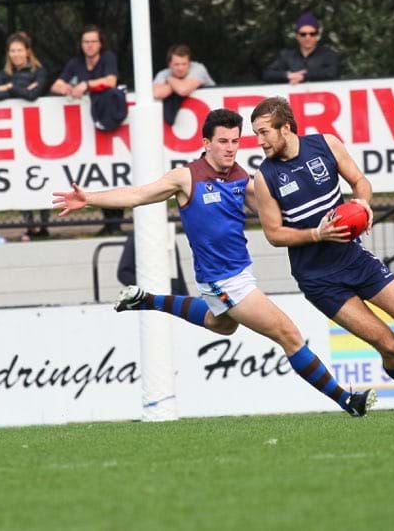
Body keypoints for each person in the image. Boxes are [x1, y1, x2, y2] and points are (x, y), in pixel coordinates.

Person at [53, 108, 377, 417]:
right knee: (288, 334)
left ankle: (147, 300)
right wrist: (90, 199)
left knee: (221, 324)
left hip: (237, 275)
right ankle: (347, 400)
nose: (230, 148)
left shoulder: (242, 178)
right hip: (224, 281)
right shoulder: (186, 178)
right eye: (223, 141)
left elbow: (280, 215)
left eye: (235, 141)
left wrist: (331, 218)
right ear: (206, 143)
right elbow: (137, 195)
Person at [250, 96, 394, 417]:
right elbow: (274, 233)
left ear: (285, 127)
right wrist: (317, 234)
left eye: (264, 133)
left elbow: (360, 181)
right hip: (319, 281)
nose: (259, 142)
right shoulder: (265, 177)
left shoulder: (326, 145)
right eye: (256, 134)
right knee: (387, 345)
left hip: (355, 260)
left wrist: (363, 203)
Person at [51, 25, 125, 236]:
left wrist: (86, 85)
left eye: (93, 41)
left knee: (114, 172)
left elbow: (110, 81)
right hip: (89, 127)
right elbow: (56, 85)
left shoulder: (108, 58)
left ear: (100, 43)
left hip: (112, 121)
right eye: (86, 42)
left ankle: (116, 222)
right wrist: (66, 88)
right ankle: (108, 222)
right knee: (98, 173)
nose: (89, 45)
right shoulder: (75, 63)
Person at [0, 32, 52, 239]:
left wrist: (10, 88)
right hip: (16, 136)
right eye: (12, 51)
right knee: (21, 177)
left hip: (40, 134)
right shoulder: (4, 74)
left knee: (42, 177)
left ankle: (44, 225)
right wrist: (17, 88)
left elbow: (33, 95)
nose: (16, 54)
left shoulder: (39, 72)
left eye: (19, 50)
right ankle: (29, 225)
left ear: (28, 52)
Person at [262, 11, 339, 84]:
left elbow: (332, 72)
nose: (308, 38)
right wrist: (288, 75)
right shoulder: (288, 56)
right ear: (297, 37)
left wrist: (304, 76)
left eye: (312, 34)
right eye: (303, 34)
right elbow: (267, 74)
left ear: (317, 36)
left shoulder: (328, 55)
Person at [153, 44, 215, 125]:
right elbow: (156, 93)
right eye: (176, 64)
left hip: (211, 114)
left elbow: (183, 90)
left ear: (189, 63)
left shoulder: (198, 68)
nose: (180, 68)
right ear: (169, 64)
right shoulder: (164, 73)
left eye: (184, 64)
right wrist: (176, 84)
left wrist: (169, 79)